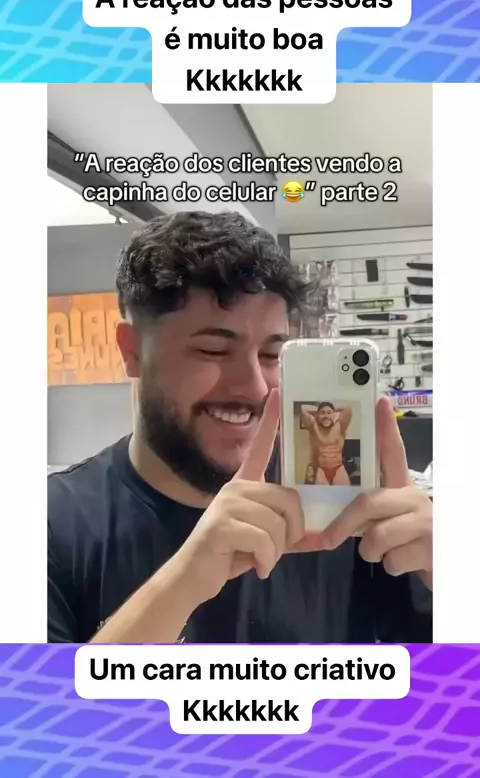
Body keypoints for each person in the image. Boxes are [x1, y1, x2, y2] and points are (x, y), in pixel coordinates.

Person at [48, 212, 433, 645]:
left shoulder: (342, 509)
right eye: (213, 350)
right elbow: (34, 693)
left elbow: (453, 683)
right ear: (132, 351)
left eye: (271, 356)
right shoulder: (51, 524)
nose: (254, 387)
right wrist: (183, 582)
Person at [301, 402, 352, 485]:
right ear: (318, 415)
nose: (326, 416)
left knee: (344, 492)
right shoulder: (314, 428)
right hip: (322, 470)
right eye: (322, 413)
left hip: (338, 468)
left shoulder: (340, 426)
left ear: (334, 414)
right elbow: (303, 408)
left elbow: (348, 407)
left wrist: (329, 408)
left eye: (329, 413)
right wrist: (323, 409)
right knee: (321, 493)